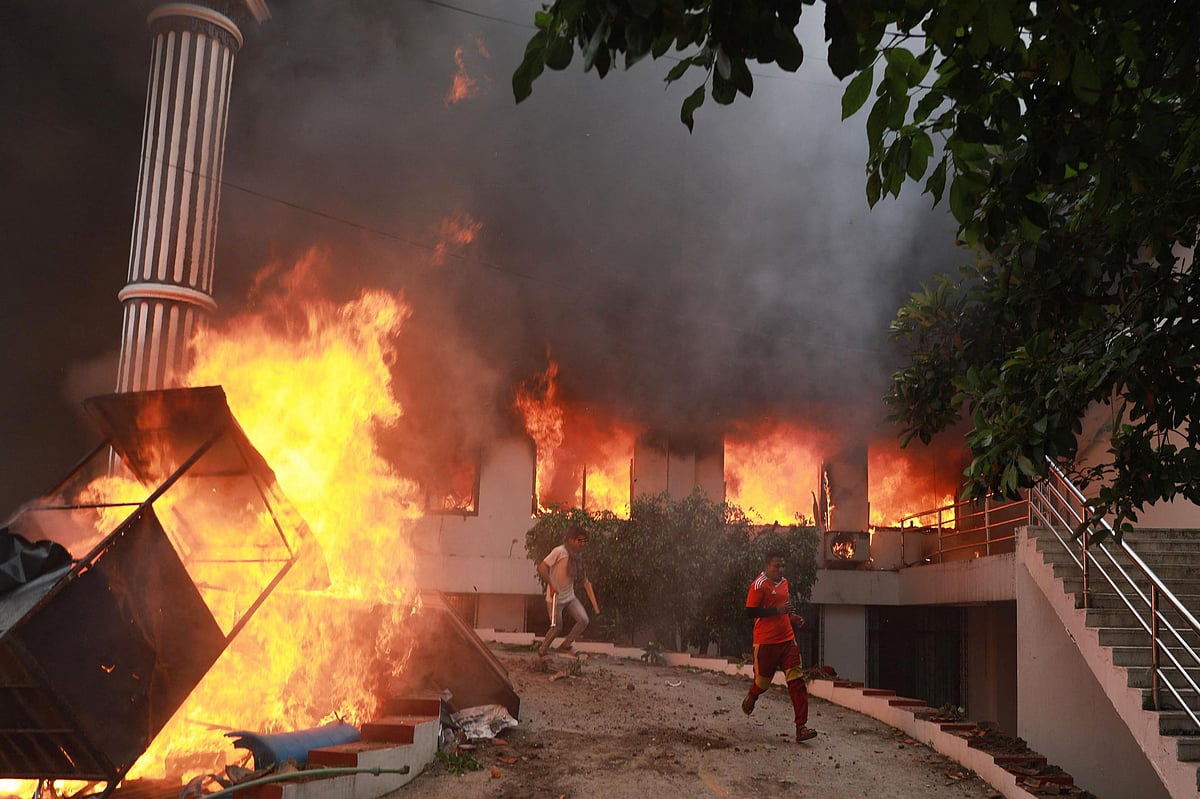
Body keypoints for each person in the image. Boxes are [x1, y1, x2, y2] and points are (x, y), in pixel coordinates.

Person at [742, 549, 817, 742]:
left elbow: (786, 607)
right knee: (763, 682)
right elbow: (750, 612)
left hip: (787, 640)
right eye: (777, 566)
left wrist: (792, 617)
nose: (781, 569)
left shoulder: (784, 583)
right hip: (766, 643)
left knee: (797, 681)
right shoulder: (758, 585)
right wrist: (777, 610)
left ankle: (801, 727)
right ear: (767, 565)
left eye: (783, 565)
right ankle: (753, 695)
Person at [536, 525, 599, 657]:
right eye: (579, 540)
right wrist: (551, 584)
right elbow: (542, 567)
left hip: (569, 597)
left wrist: (594, 604)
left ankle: (565, 646)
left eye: (584, 541)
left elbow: (584, 579)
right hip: (554, 598)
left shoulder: (577, 557)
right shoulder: (559, 551)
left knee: (583, 620)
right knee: (556, 628)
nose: (582, 544)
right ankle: (542, 651)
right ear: (571, 540)